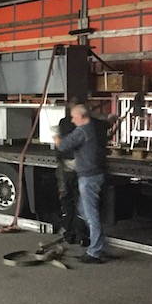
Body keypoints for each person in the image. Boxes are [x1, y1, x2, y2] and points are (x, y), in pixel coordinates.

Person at [54, 104, 108, 264]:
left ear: (81, 116)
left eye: (73, 116)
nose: (72, 119)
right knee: (83, 211)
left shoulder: (82, 131)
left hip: (88, 178)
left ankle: (95, 252)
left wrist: (57, 138)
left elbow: (63, 146)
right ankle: (98, 242)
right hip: (95, 175)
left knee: (90, 216)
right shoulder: (92, 127)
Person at [54, 107, 89, 246]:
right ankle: (82, 236)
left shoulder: (64, 124)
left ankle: (69, 234)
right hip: (79, 170)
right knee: (80, 204)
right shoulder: (82, 129)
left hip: (66, 171)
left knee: (67, 203)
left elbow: (61, 147)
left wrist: (57, 141)